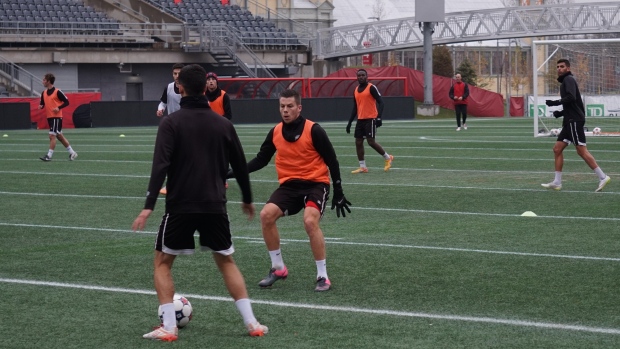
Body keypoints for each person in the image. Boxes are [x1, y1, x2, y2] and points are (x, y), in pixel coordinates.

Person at [132, 64, 268, 341]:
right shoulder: (223, 124)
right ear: (206, 87)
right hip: (214, 204)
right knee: (226, 261)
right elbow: (240, 165)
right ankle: (252, 323)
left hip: (181, 205)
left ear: (179, 88)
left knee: (162, 262)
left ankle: (168, 327)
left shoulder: (171, 123)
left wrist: (149, 204)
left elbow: (160, 166)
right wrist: (248, 199)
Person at [228, 89, 351, 292]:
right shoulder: (276, 131)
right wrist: (232, 172)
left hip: (316, 184)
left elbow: (332, 160)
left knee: (310, 222)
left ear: (299, 107)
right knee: (266, 215)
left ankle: (322, 275)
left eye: (290, 106)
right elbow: (261, 159)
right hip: (290, 186)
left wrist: (338, 191)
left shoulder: (314, 130)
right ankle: (278, 268)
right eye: (282, 106)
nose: (285, 110)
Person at [542, 58, 610, 192]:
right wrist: (560, 113)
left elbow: (572, 97)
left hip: (574, 120)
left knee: (581, 150)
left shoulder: (569, 79)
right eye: (557, 67)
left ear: (568, 68)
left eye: (562, 66)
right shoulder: (565, 82)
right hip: (568, 120)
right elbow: (572, 104)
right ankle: (557, 182)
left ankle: (603, 177)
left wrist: (555, 103)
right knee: (557, 149)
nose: (559, 69)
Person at [346, 69, 393, 173]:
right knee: (358, 142)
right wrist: (349, 122)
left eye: (363, 75)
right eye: (359, 75)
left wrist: (379, 117)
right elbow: (355, 107)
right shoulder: (356, 89)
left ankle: (388, 158)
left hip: (371, 118)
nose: (361, 77)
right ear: (357, 77)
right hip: (360, 119)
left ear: (367, 77)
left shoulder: (371, 87)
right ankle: (363, 167)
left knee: (371, 142)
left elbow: (381, 102)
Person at [156, 63, 184, 195]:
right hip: (173, 127)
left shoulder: (190, 88)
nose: (177, 76)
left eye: (179, 73)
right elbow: (163, 102)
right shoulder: (168, 87)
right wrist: (160, 109)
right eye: (175, 73)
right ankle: (170, 185)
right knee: (171, 157)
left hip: (188, 126)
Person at [38, 73, 78, 162]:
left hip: (57, 117)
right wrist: (41, 106)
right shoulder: (43, 93)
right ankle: (72, 152)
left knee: (52, 135)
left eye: (44, 80)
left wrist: (58, 108)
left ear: (49, 81)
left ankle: (49, 155)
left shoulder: (57, 92)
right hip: (49, 117)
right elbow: (43, 103)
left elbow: (67, 102)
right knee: (59, 136)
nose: (43, 82)